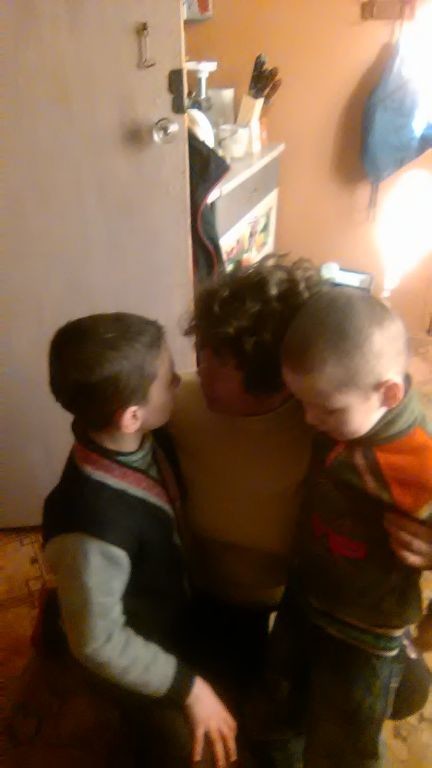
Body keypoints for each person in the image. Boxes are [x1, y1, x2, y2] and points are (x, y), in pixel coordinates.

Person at [168, 258, 432, 730]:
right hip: (221, 595)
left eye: (217, 359)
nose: (199, 367)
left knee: (405, 694)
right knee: (225, 721)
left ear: (278, 377)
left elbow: (411, 442)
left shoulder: (333, 422)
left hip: (309, 592)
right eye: (200, 348)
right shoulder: (177, 405)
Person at [41, 312, 237, 768]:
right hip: (125, 647)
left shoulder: (143, 437)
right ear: (131, 416)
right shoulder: (91, 529)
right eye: (169, 379)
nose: (180, 382)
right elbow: (98, 642)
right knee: (192, 752)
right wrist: (190, 689)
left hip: (170, 612)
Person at [268, 288, 432, 767]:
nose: (309, 419)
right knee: (279, 698)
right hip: (305, 592)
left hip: (365, 629)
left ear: (389, 394)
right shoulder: (343, 407)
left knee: (344, 737)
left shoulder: (419, 459)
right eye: (302, 402)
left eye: (326, 409)